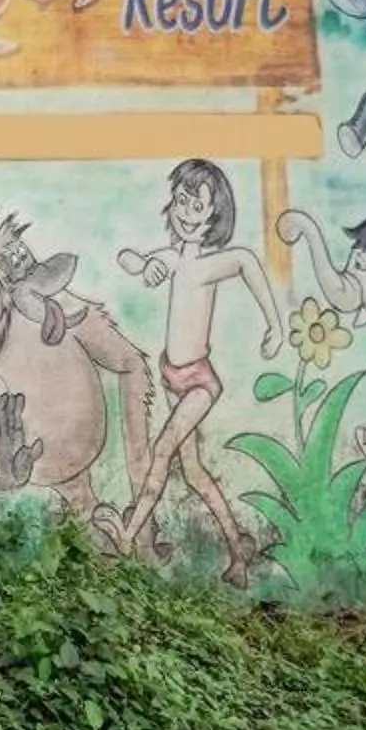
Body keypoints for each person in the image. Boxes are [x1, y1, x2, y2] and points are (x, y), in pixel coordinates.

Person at [98, 159, 282, 583]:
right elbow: (130, 257)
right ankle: (239, 548)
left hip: (199, 381)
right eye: (181, 200)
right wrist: (144, 265)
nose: (185, 212)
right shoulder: (175, 260)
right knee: (194, 471)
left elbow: (248, 263)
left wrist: (274, 323)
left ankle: (128, 537)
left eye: (196, 206)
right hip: (170, 375)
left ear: (214, 215)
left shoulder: (211, 264)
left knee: (162, 452)